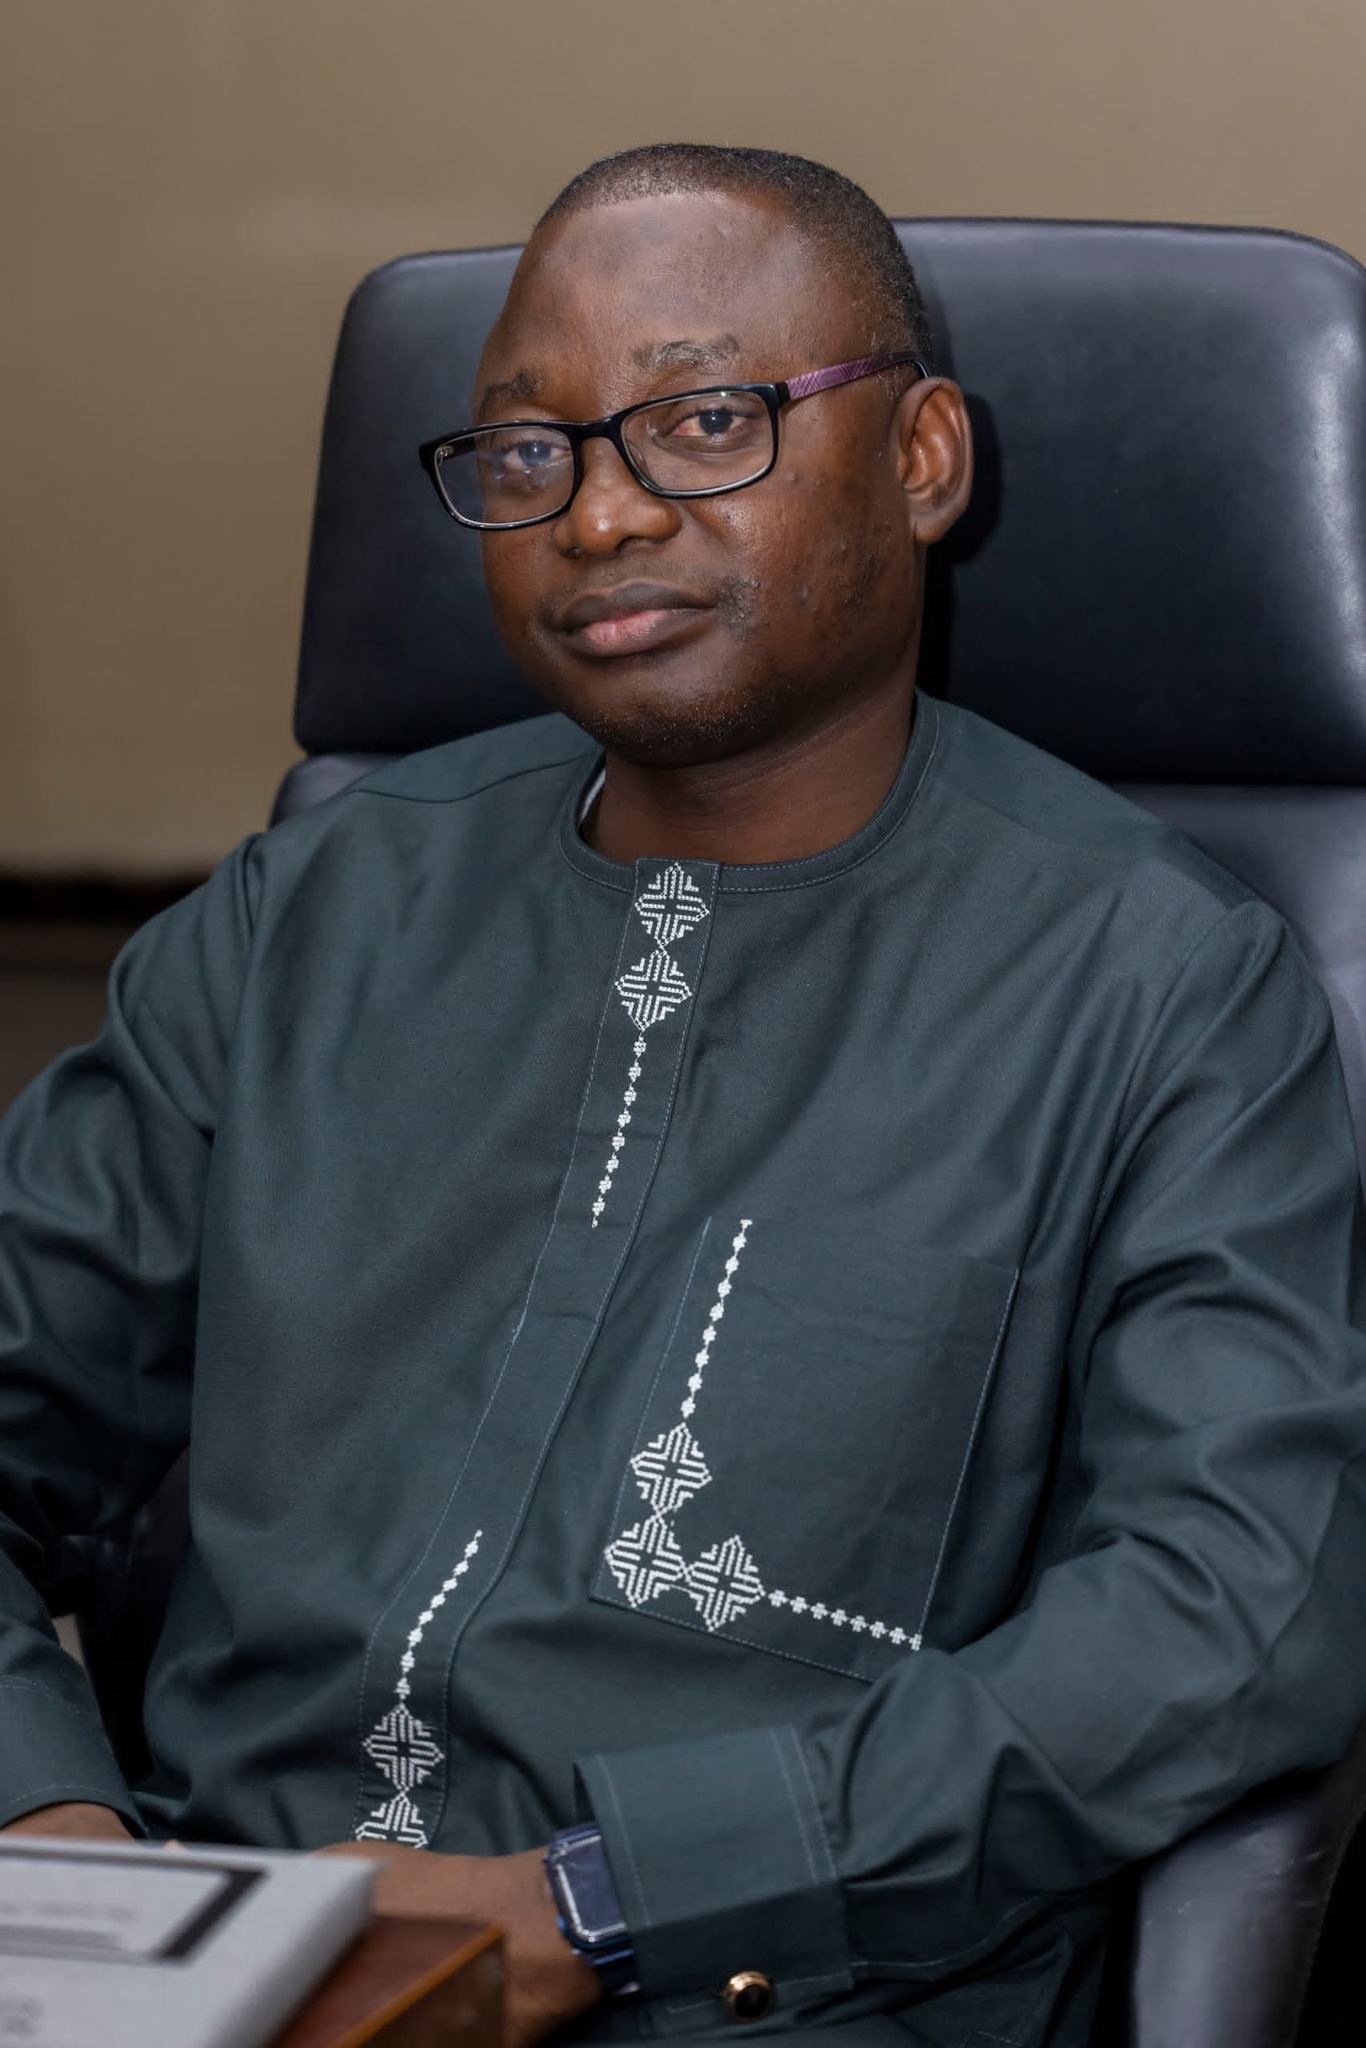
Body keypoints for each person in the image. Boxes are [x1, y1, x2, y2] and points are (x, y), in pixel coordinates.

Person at [2, 144, 1366, 2048]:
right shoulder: (310, 912)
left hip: (764, 1997)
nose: (599, 513)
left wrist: (610, 1903)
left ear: (922, 459)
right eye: (526, 450)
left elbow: (1230, 1607)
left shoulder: (1158, 983)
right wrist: (56, 1853)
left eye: (706, 421)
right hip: (207, 1957)